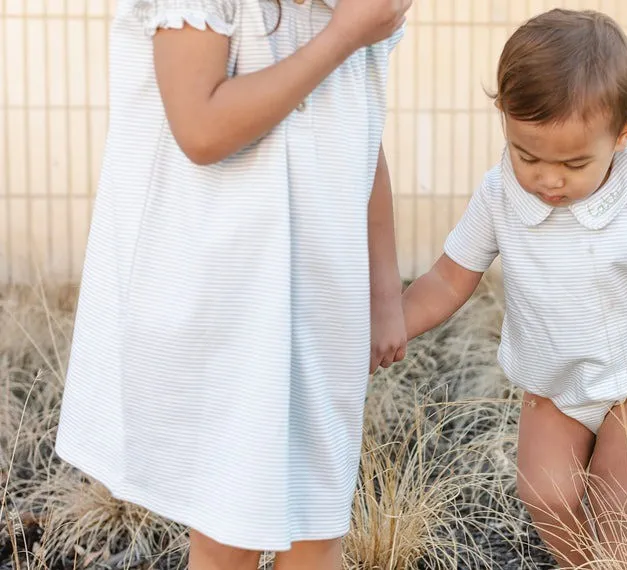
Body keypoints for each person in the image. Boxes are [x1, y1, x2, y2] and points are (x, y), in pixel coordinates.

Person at [55, 1, 411, 569]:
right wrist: (342, 36)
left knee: (318, 523)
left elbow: (361, 132)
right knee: (230, 534)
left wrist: (384, 291)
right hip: (224, 301)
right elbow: (201, 127)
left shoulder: (355, 12)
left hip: (318, 298)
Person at [401, 9, 627, 567]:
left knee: (618, 502)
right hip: (555, 379)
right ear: (504, 120)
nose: (548, 179)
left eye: (575, 162)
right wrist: (388, 324)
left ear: (623, 134)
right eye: (526, 154)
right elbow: (446, 278)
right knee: (544, 493)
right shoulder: (500, 193)